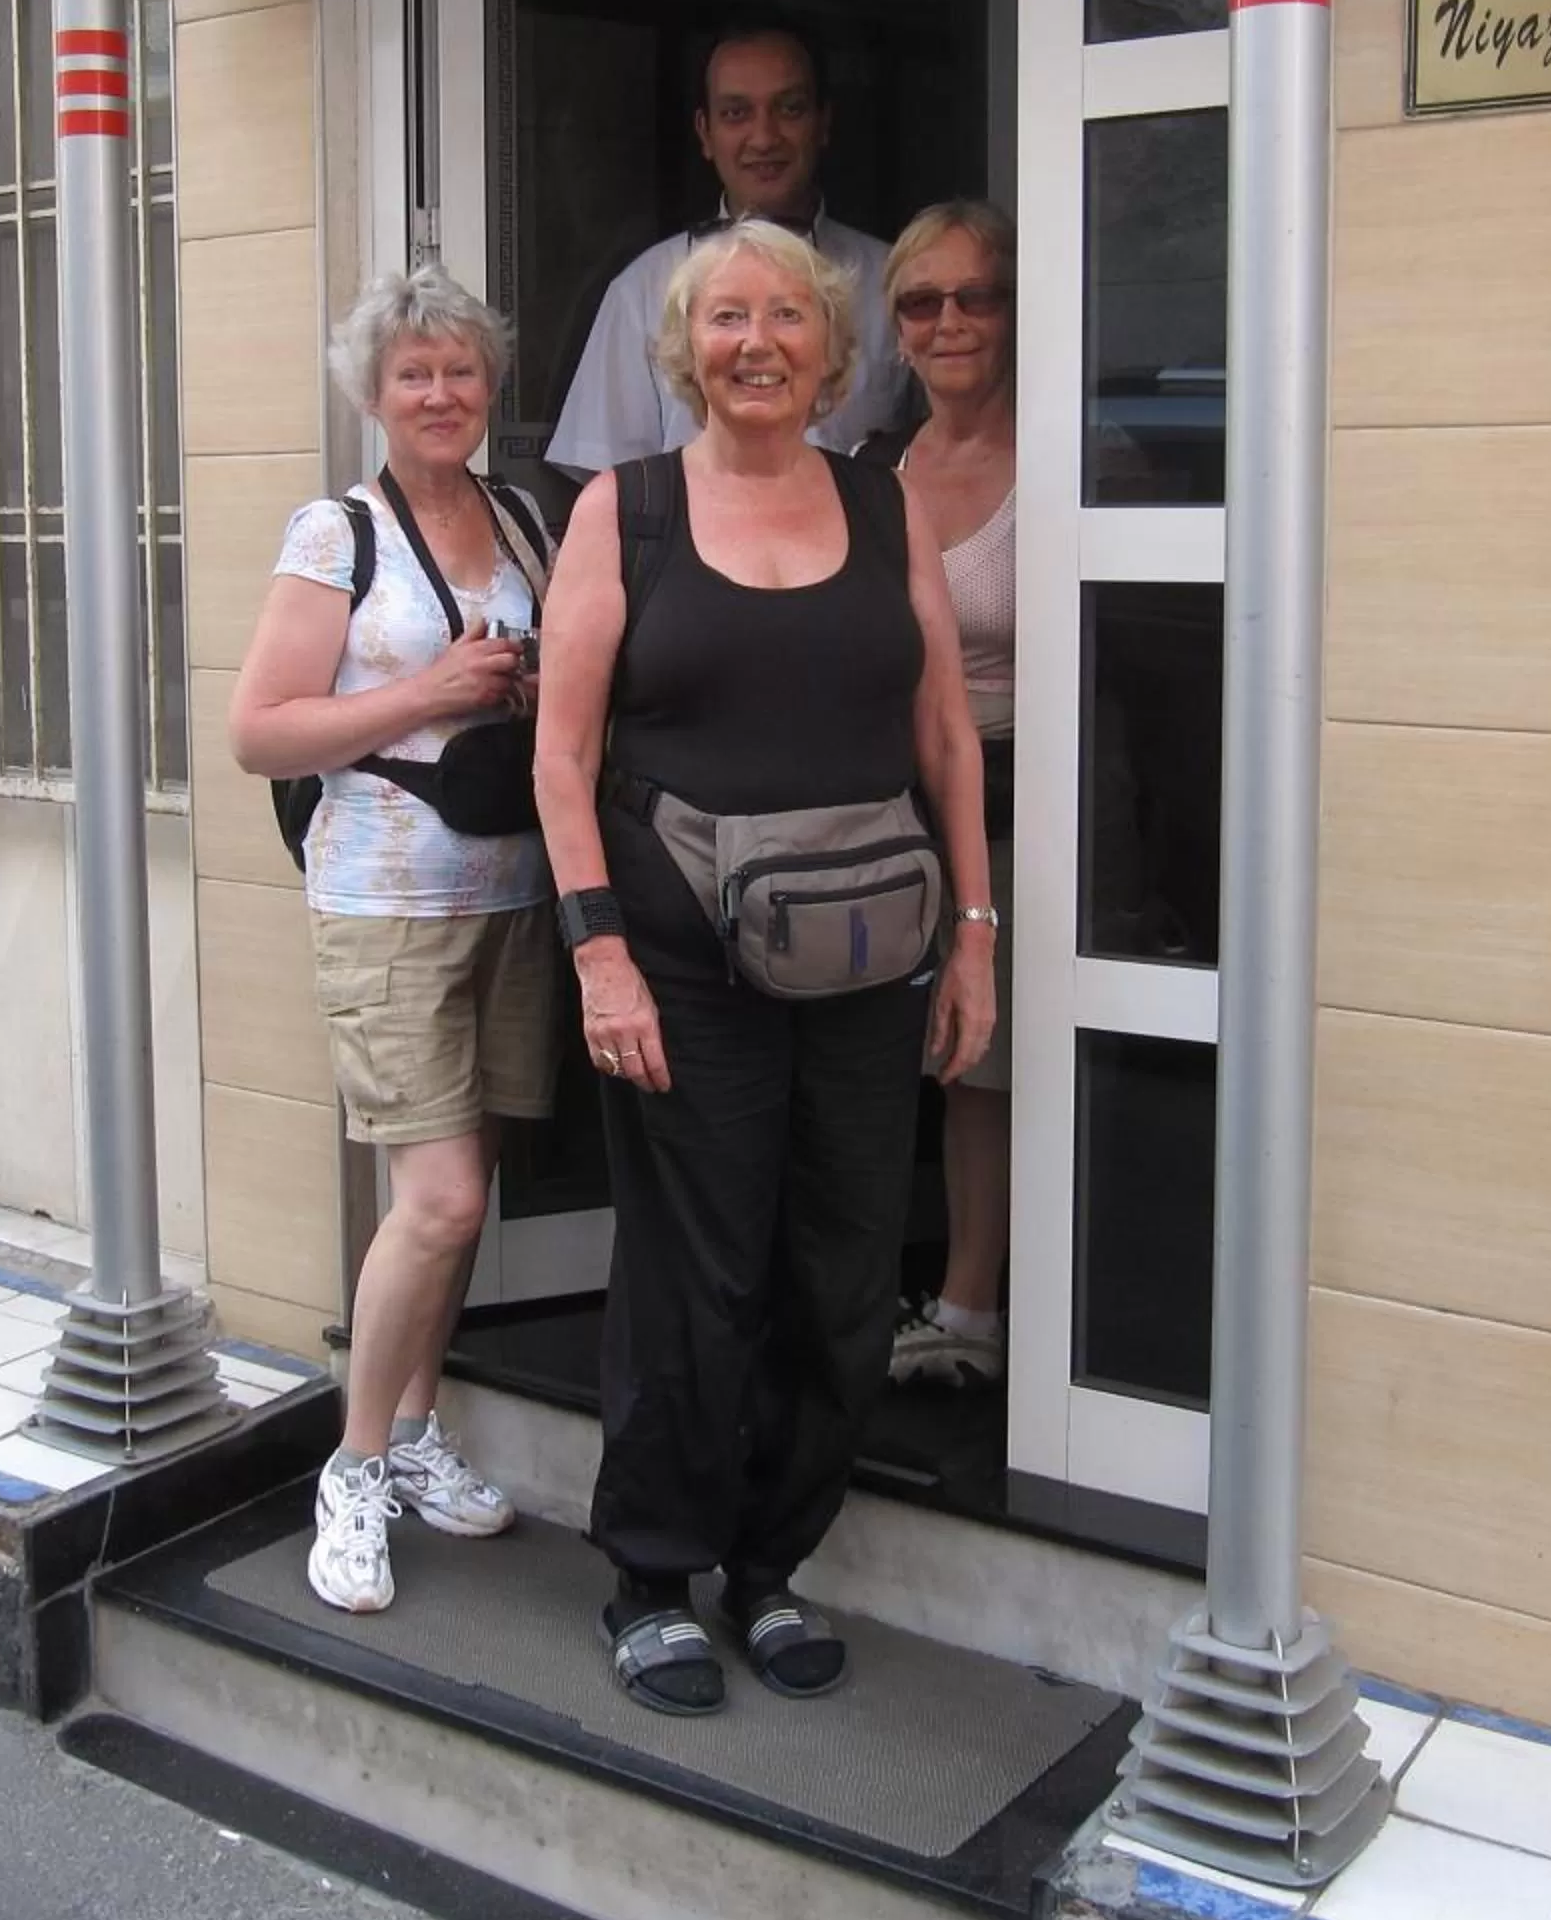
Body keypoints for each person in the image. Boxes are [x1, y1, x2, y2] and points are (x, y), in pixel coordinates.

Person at [533, 220, 997, 1714]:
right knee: (695, 1274)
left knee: (843, 1271)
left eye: (784, 315)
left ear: (829, 345)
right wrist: (600, 952)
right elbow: (562, 751)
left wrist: (974, 932)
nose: (755, 343)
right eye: (726, 317)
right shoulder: (629, 509)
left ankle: (771, 1561)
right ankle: (654, 1572)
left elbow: (942, 735)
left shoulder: (883, 505)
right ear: (686, 348)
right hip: (682, 971)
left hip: (869, 956)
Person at [228, 268, 548, 1617]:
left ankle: (418, 1436)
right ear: (373, 391)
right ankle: (351, 1468)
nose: (439, 393)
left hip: (511, 895)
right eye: (413, 373)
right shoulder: (333, 532)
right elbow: (261, 729)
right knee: (442, 1197)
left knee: (465, 1180)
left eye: (460, 370)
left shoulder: (525, 514)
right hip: (386, 900)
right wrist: (430, 687)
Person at [866, 203, 1018, 1390]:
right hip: (896, 799)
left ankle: (977, 1310)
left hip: (1035, 795)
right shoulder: (877, 470)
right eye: (924, 302)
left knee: (994, 1057)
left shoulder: (1074, 457)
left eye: (978, 297)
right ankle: (917, 1299)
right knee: (923, 1058)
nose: (952, 322)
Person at [544, 24, 907, 477]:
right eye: (737, 113)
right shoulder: (643, 288)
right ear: (705, 133)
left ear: (823, 122)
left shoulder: (893, 283)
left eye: (789, 109)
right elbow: (609, 482)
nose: (763, 137)